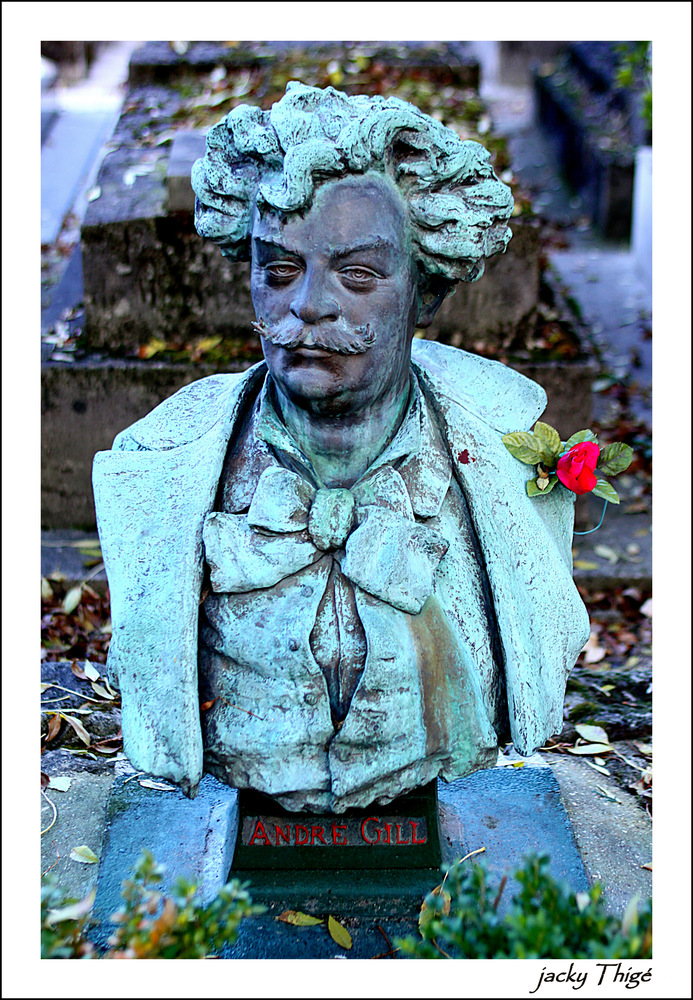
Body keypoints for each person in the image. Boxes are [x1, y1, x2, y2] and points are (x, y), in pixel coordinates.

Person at [93, 83, 589, 810]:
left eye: (356, 275)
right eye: (279, 270)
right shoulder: (158, 467)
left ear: (424, 288)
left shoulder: (511, 465)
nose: (307, 305)